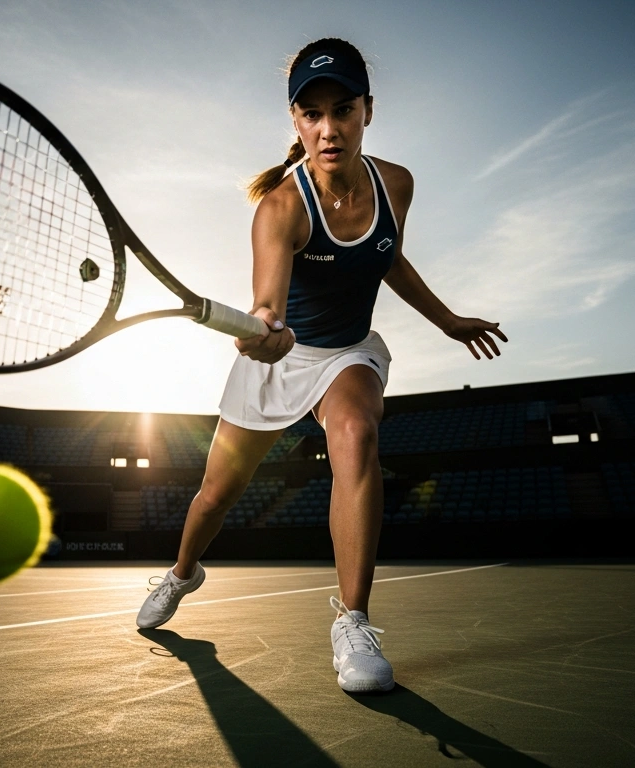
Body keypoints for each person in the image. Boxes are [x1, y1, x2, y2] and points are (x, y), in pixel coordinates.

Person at [136, 38, 508, 693]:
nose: (329, 128)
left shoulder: (398, 184)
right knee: (214, 497)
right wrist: (264, 336)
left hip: (348, 353)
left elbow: (385, 255)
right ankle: (181, 572)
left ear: (369, 109)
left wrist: (447, 320)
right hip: (283, 357)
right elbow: (266, 308)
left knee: (358, 433)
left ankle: (353, 621)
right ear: (294, 119)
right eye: (312, 113)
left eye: (343, 109)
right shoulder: (280, 208)